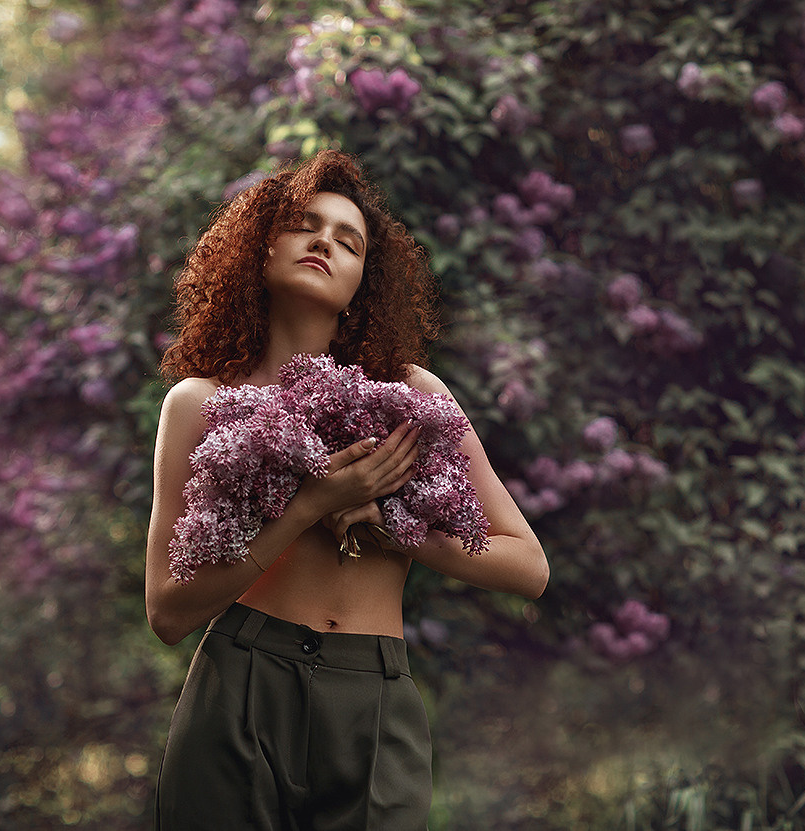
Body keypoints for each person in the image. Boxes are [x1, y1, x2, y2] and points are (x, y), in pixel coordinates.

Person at [146, 149, 548, 830]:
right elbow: (168, 611)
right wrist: (311, 504)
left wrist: (391, 525)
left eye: (348, 239)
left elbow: (527, 565)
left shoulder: (413, 398)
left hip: (373, 694)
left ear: (363, 279)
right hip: (240, 680)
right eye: (306, 225)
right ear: (261, 248)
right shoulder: (197, 402)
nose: (324, 242)